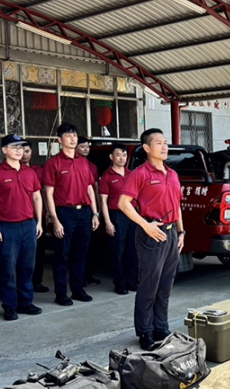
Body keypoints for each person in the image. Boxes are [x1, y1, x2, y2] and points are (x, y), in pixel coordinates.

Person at [119, 128, 184, 350]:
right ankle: (145, 331)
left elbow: (176, 205)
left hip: (171, 233)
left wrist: (181, 232)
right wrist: (144, 225)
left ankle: (161, 327)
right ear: (147, 148)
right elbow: (123, 203)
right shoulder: (140, 173)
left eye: (166, 143)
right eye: (159, 143)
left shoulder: (172, 174)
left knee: (166, 284)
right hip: (151, 234)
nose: (165, 146)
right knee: (149, 285)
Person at [0, 134, 43, 321]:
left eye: (21, 147)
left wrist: (39, 221)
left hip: (28, 225)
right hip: (7, 227)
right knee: (8, 269)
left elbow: (37, 197)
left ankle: (26, 302)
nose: (19, 151)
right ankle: (9, 306)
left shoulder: (29, 172)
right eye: (14, 147)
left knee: (27, 267)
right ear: (4, 150)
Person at [42, 123, 100, 306]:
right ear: (60, 140)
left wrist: (95, 213)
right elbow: (48, 193)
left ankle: (77, 289)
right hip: (64, 213)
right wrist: (55, 219)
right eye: (68, 135)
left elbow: (90, 189)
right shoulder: (53, 163)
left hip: (84, 212)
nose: (73, 138)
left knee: (81, 253)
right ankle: (61, 293)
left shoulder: (84, 162)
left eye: (74, 135)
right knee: (62, 255)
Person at [99, 143, 139, 295]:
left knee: (132, 250)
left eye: (124, 155)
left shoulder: (131, 174)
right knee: (118, 251)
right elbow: (103, 201)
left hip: (132, 215)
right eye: (118, 155)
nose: (122, 158)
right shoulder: (107, 176)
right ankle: (119, 283)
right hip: (116, 216)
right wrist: (107, 221)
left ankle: (131, 280)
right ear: (111, 157)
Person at [23, 143, 49, 293]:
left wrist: (49, 213)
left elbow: (44, 192)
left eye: (27, 150)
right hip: (21, 218)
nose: (25, 154)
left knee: (39, 252)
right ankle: (24, 285)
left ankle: (37, 281)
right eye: (22, 151)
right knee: (23, 256)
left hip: (39, 217)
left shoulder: (38, 170)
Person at [76, 135, 101, 286]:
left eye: (87, 147)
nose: (86, 149)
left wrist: (97, 211)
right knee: (77, 248)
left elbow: (95, 188)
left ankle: (88, 274)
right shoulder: (73, 164)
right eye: (82, 147)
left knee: (91, 245)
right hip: (73, 209)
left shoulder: (92, 166)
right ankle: (79, 279)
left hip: (90, 209)